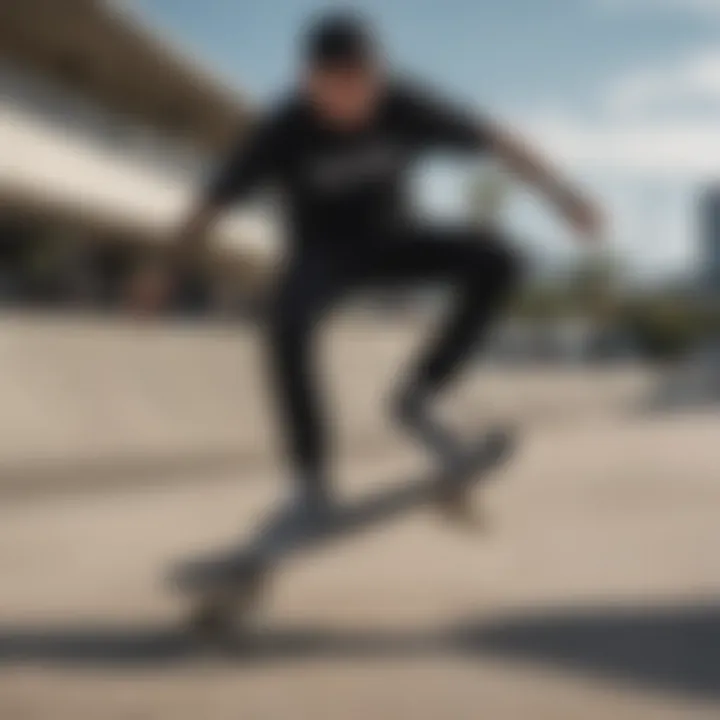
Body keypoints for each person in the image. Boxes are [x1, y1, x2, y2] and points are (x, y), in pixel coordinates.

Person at [143, 12, 602, 531]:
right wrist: (164, 269)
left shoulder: (403, 104)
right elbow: (212, 201)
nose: (349, 101)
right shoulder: (283, 128)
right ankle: (309, 480)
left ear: (377, 76)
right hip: (324, 255)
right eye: (333, 88)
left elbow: (498, 141)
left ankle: (418, 398)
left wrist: (565, 197)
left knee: (500, 258)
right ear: (308, 81)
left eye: (360, 85)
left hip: (394, 241)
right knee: (285, 321)